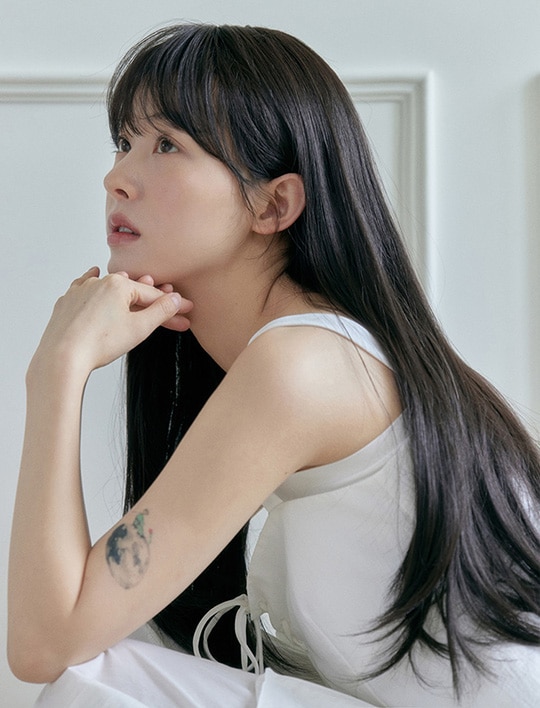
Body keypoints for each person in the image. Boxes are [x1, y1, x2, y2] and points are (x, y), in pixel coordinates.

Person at [7, 23, 540, 707]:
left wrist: (58, 369)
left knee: (92, 679)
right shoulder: (314, 352)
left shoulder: (303, 365)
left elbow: (44, 644)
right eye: (124, 141)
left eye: (166, 144)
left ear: (273, 203)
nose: (116, 178)